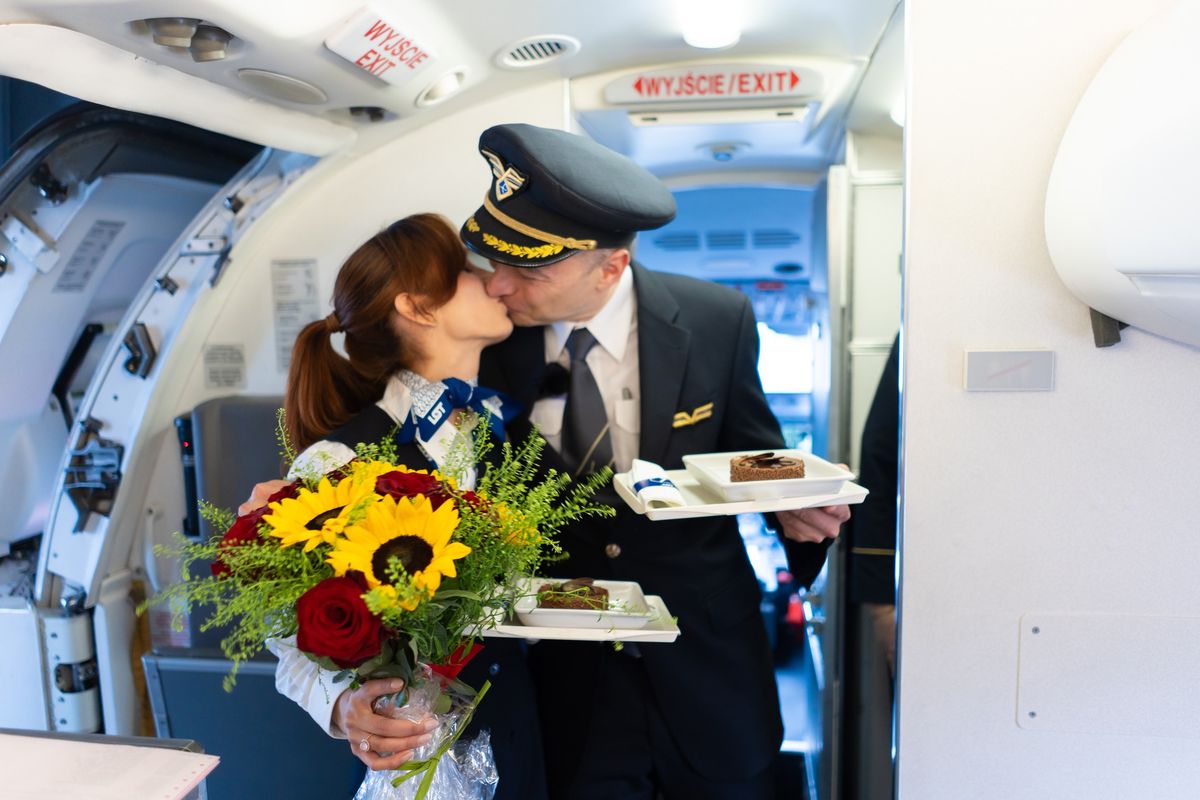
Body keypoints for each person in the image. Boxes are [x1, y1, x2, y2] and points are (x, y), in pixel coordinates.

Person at [461, 123, 850, 800]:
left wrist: (795, 511)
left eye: (529, 271)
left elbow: (753, 455)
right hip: (567, 679)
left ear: (609, 267)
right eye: (494, 262)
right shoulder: (484, 342)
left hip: (708, 665)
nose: (499, 286)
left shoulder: (715, 319)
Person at [255, 213, 548, 800]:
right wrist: (342, 706)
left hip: (516, 736)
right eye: (467, 270)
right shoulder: (339, 458)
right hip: (410, 760)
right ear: (418, 308)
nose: (493, 280)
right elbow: (285, 635)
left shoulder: (495, 431)